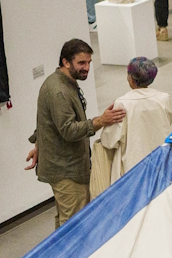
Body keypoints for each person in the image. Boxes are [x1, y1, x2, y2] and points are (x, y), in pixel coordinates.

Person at [26, 39, 124, 228]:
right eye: (81, 63)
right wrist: (100, 121)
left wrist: (40, 144)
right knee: (74, 226)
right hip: (66, 170)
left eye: (88, 63)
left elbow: (48, 121)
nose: (86, 68)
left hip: (67, 165)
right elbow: (68, 130)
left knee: (66, 220)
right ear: (65, 62)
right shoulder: (59, 92)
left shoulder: (65, 83)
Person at [90, 57, 172, 189]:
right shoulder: (163, 98)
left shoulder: (122, 104)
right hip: (161, 163)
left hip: (132, 169)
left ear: (131, 78)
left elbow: (109, 141)